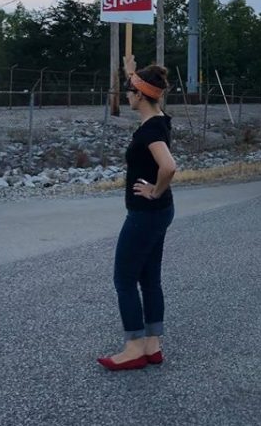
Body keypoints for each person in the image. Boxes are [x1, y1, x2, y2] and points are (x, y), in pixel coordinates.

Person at [97, 56, 176, 371]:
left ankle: (133, 347)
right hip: (161, 211)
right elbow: (150, 91)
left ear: (141, 95)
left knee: (125, 279)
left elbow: (169, 166)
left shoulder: (150, 132)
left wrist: (155, 189)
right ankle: (153, 344)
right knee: (150, 278)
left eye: (130, 89)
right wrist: (132, 71)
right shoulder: (159, 118)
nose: (126, 94)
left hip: (146, 212)